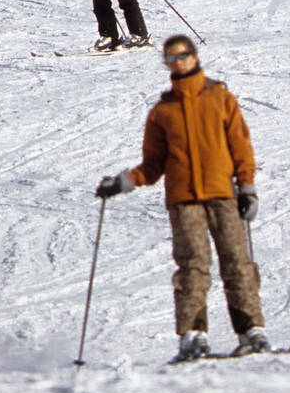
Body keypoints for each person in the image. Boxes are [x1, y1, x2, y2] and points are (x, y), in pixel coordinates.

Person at [96, 34, 269, 361]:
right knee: (193, 265)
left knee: (237, 262)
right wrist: (121, 182)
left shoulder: (219, 97)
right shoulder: (163, 111)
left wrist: (246, 187)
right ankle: (193, 335)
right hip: (183, 199)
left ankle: (251, 330)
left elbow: (241, 146)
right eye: (171, 59)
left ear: (194, 56)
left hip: (222, 194)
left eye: (183, 56)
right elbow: (152, 165)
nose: (178, 63)